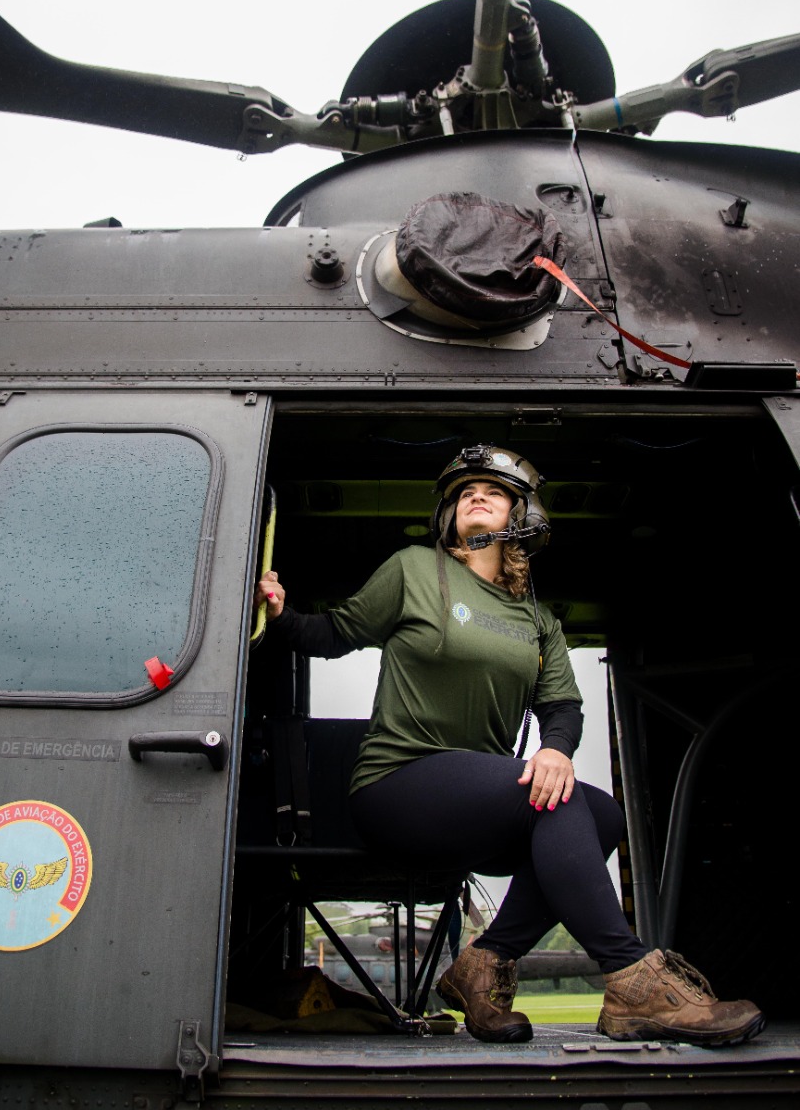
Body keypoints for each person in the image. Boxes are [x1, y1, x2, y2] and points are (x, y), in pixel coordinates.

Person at [254, 443, 765, 1047]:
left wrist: (555, 750)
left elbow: (562, 707)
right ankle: (633, 980)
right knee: (557, 801)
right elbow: (336, 632)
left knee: (603, 813)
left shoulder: (537, 621)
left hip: (482, 805)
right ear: (449, 515)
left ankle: (484, 964)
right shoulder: (415, 569)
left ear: (520, 519)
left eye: (493, 491)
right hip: (397, 784)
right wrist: (283, 616)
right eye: (464, 492)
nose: (476, 496)